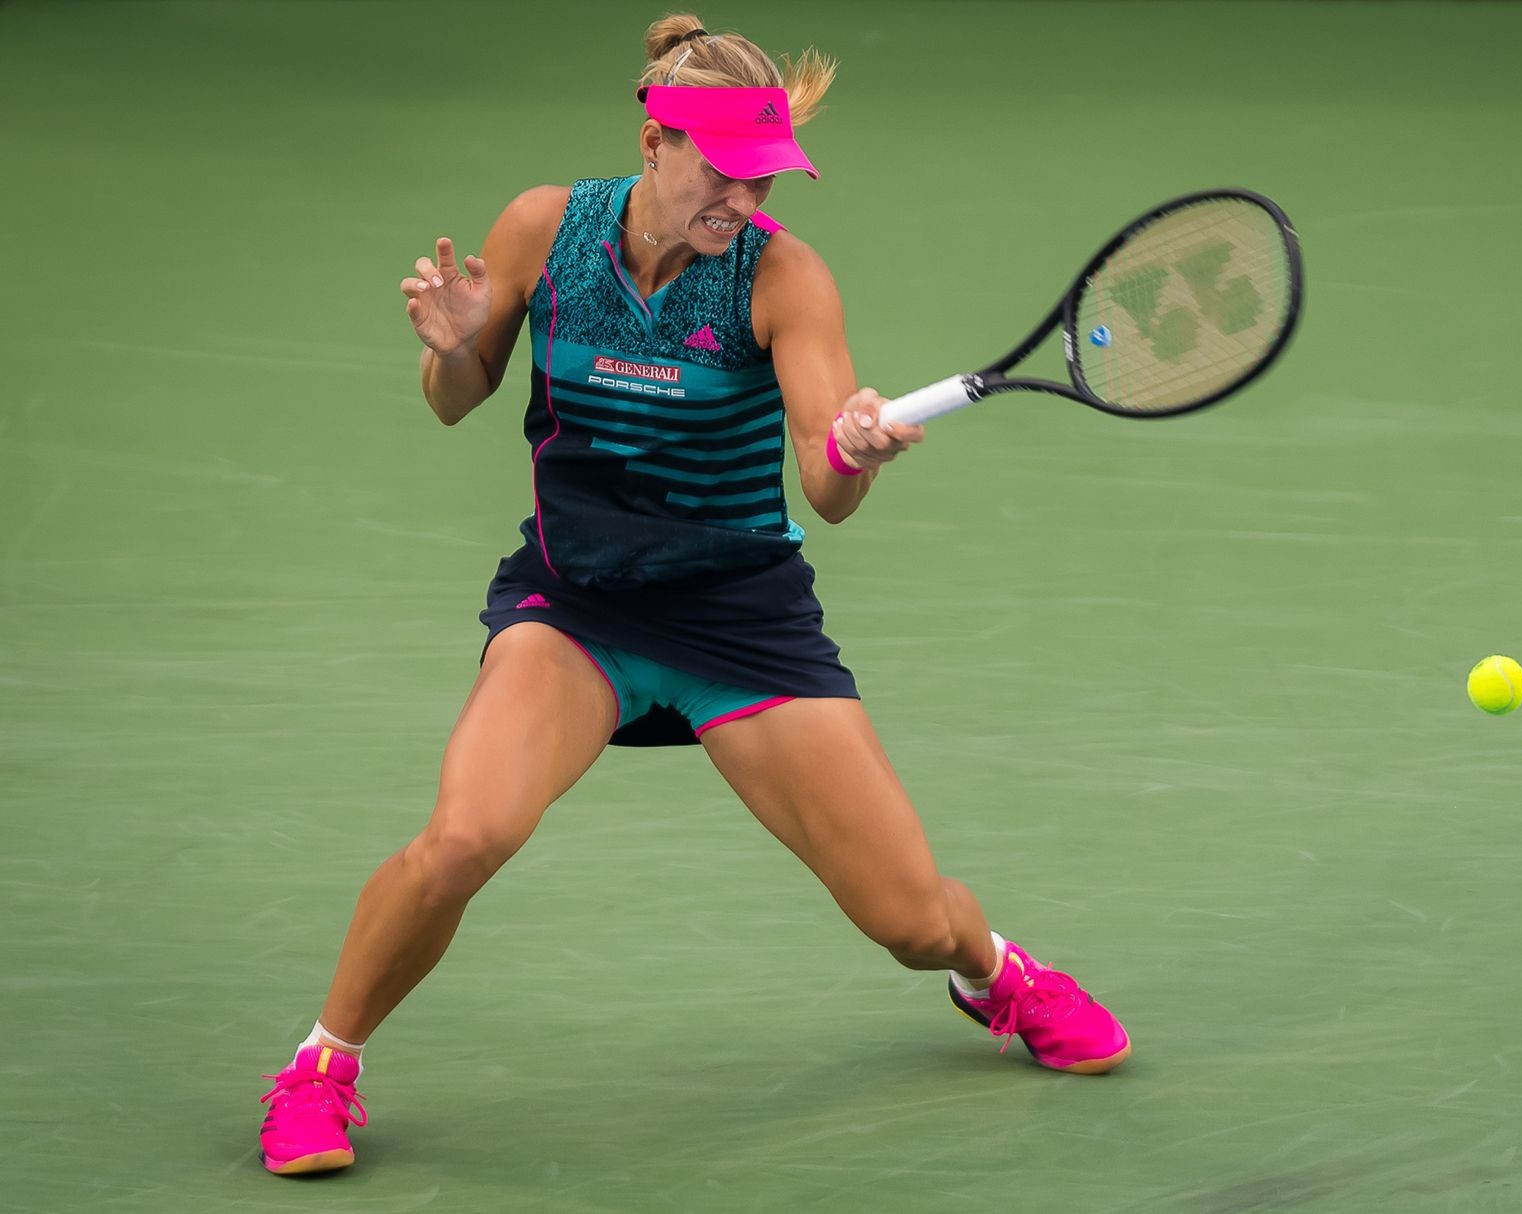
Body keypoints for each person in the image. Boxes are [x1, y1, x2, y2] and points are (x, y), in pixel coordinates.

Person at [255, 12, 1130, 1178]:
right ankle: (320, 1067)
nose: (742, 198)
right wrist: (456, 347)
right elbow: (454, 399)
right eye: (722, 171)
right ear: (653, 141)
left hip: (738, 618)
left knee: (910, 918)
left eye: (763, 177)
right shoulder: (544, 229)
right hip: (577, 604)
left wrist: (856, 449)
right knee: (463, 837)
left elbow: (825, 485)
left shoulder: (783, 277)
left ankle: (994, 972)